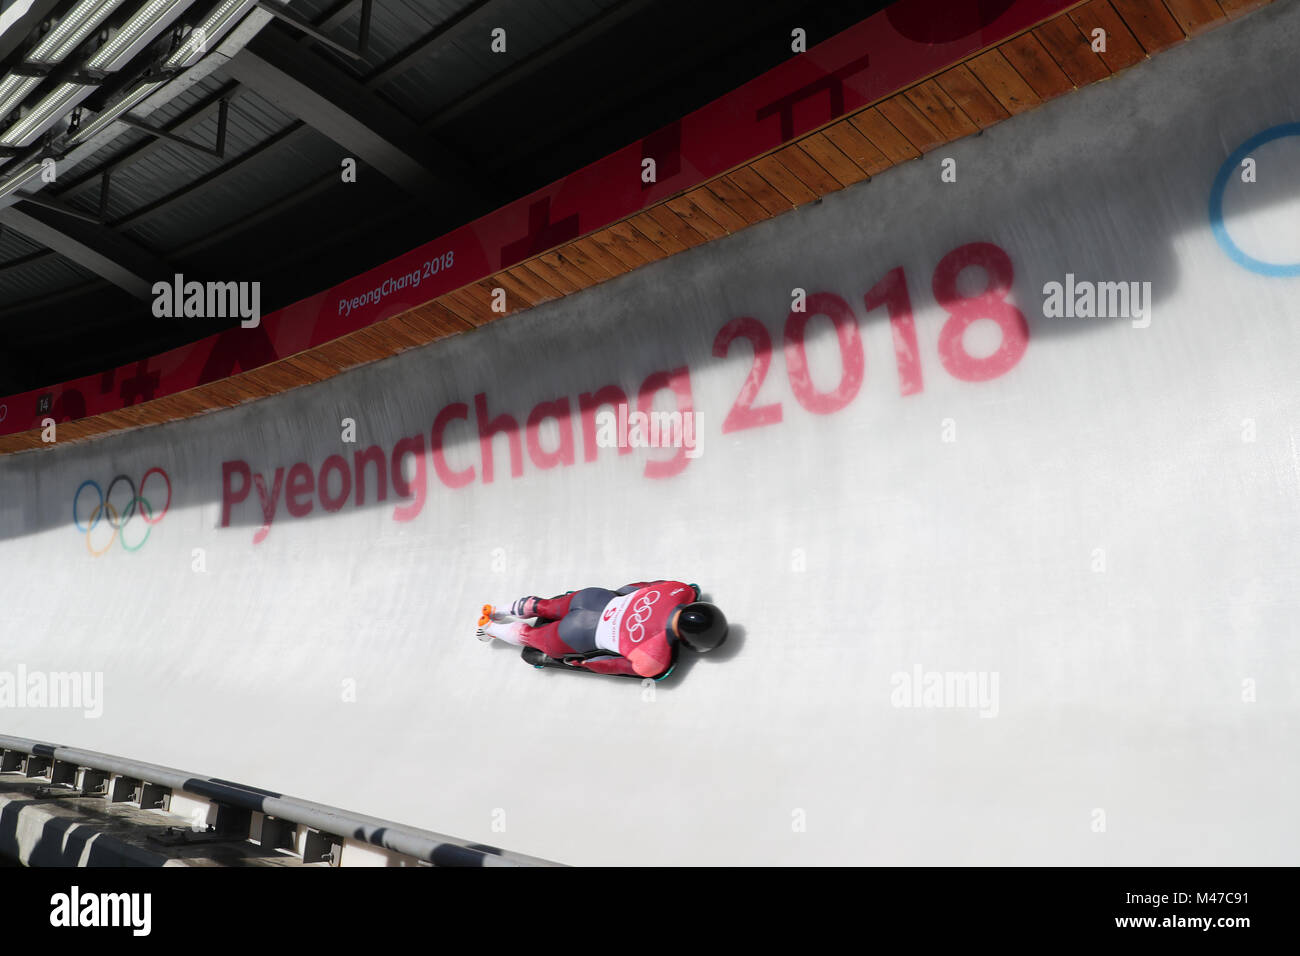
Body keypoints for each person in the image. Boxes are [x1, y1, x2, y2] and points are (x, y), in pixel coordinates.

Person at [477, 580, 727, 678]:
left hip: (594, 599)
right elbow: (611, 664)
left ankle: (498, 608)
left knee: (545, 606)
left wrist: (617, 597)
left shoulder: (680, 590)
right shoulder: (654, 658)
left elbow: (634, 588)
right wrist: (581, 663)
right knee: (532, 637)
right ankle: (490, 628)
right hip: (580, 633)